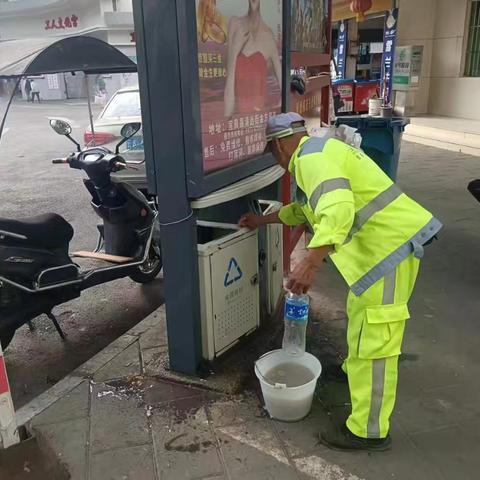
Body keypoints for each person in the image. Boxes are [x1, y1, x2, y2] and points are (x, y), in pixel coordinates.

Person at [239, 112, 442, 451]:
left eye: (272, 152)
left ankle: (368, 430)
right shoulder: (320, 151)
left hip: (388, 250)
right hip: (377, 254)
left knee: (377, 340)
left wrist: (310, 262)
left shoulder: (309, 159)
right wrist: (263, 220)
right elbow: (305, 211)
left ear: (279, 146)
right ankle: (352, 370)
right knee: (361, 316)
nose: (275, 158)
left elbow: (337, 209)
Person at [224, 0, 282, 117]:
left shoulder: (269, 37)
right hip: (238, 121)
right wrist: (235, 50)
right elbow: (227, 112)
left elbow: (284, 91)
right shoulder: (235, 24)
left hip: (259, 119)